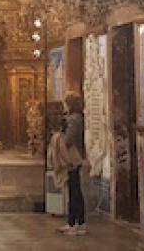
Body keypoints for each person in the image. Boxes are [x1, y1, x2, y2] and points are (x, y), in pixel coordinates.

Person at [60, 92, 86, 235]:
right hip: (75, 157)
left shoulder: (74, 120)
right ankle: (76, 222)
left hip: (72, 158)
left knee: (74, 190)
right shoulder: (76, 118)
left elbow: (69, 140)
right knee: (74, 189)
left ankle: (76, 223)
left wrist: (59, 139)